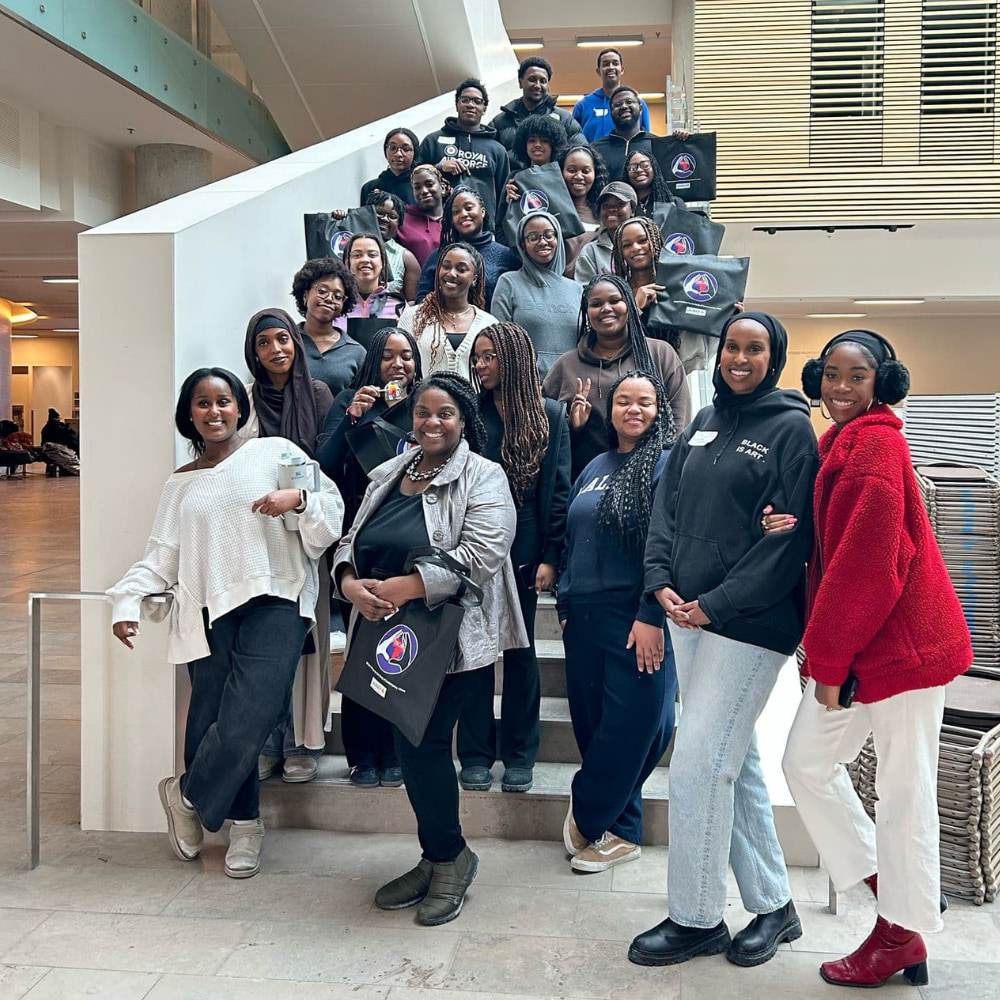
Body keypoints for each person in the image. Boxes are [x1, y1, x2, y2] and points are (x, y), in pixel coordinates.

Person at [778, 330, 971, 989]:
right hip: (872, 648)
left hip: (903, 649)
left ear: (881, 383)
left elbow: (868, 569)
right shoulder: (845, 441)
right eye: (830, 374)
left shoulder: (876, 447)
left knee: (904, 791)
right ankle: (899, 889)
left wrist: (827, 665)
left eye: (856, 377)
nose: (839, 387)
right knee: (806, 762)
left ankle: (900, 935)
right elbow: (840, 545)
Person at [628, 313, 818, 970]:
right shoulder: (704, 420)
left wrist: (717, 604)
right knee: (733, 767)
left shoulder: (791, 430)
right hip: (686, 617)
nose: (740, 357)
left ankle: (697, 917)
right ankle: (774, 905)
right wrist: (659, 583)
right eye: (733, 346)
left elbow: (786, 541)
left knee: (699, 765)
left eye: (755, 348)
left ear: (776, 356)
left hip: (749, 624)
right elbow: (667, 509)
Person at [107, 367, 344, 879]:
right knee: (212, 720)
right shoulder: (181, 484)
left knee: (250, 717)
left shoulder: (277, 453)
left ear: (241, 406)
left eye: (223, 401)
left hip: (277, 599)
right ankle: (245, 825)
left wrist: (298, 499)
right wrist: (127, 601)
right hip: (208, 609)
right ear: (188, 414)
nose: (214, 412)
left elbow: (330, 513)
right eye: (202, 403)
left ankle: (186, 795)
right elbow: (162, 556)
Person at [333, 372, 527, 926]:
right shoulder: (391, 471)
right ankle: (438, 855)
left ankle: (450, 858)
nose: (432, 422)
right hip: (390, 632)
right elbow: (352, 537)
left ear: (464, 419)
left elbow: (483, 551)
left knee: (423, 745)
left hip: (453, 637)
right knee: (410, 744)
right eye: (422, 412)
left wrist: (405, 586)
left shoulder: (484, 475)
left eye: (444, 413)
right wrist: (349, 581)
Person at [559, 371, 678, 872]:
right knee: (593, 724)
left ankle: (589, 810)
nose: (633, 409)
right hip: (582, 613)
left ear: (659, 409)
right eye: (624, 401)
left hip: (636, 614)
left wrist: (651, 612)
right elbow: (571, 537)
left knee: (643, 721)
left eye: (644, 402)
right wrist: (565, 606)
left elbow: (670, 541)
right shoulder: (595, 466)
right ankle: (621, 831)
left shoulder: (669, 463)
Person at [456, 322, 571, 793]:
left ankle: (520, 752)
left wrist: (551, 555)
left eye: (490, 357)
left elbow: (559, 490)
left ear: (515, 359)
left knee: (521, 656)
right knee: (475, 654)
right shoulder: (471, 416)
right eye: (477, 358)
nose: (481, 366)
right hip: (474, 548)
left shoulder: (550, 415)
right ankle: (477, 754)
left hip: (524, 548)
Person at [316, 326, 423, 788]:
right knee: (362, 652)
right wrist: (353, 417)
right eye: (388, 357)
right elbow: (324, 463)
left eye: (407, 357)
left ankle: (395, 749)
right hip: (360, 545)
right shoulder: (348, 401)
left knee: (401, 653)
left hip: (409, 543)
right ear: (373, 360)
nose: (398, 365)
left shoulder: (425, 406)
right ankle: (363, 752)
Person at [237, 309, 335, 784]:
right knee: (264, 645)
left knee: (305, 645)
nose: (276, 349)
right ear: (253, 353)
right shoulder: (246, 401)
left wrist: (300, 504)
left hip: (306, 531)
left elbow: (325, 468)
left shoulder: (317, 394)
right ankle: (268, 738)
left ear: (296, 342)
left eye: (283, 339)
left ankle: (301, 742)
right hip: (258, 536)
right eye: (264, 344)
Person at [542, 274, 690, 479]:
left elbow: (679, 420)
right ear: (586, 311)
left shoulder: (660, 354)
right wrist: (574, 427)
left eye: (615, 301)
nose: (606, 309)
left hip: (652, 478)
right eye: (596, 303)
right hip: (589, 483)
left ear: (629, 304)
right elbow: (547, 435)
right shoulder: (565, 366)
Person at [611, 216, 716, 374]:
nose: (635, 248)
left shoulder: (680, 284)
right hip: (629, 375)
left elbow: (704, 328)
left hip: (675, 373)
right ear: (620, 252)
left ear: (655, 241)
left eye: (642, 240)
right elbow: (610, 337)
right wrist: (635, 307)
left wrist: (726, 318)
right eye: (626, 245)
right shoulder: (616, 291)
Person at [491, 211, 580, 376]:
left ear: (558, 239)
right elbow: (500, 340)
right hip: (525, 386)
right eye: (533, 237)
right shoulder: (509, 283)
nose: (542, 242)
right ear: (523, 244)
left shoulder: (576, 289)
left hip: (569, 387)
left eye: (548, 235)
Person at [418, 79, 510, 225]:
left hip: (484, 230)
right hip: (442, 227)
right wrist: (438, 168)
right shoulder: (433, 141)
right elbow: (414, 180)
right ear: (457, 104)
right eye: (465, 100)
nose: (470, 104)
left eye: (477, 101)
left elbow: (503, 196)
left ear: (484, 108)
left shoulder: (497, 150)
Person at [399, 242, 497, 376]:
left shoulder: (489, 324)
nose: (451, 273)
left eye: (461, 269)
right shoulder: (412, 317)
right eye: (446, 267)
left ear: (474, 279)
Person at [416, 187, 519, 309]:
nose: (463, 214)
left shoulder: (506, 255)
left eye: (469, 208)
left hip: (492, 324)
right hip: (445, 324)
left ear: (483, 211)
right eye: (456, 212)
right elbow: (422, 300)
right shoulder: (438, 256)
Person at [291, 257, 367, 396]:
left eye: (338, 296)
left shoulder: (356, 353)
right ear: (305, 294)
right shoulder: (287, 341)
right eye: (322, 291)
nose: (329, 298)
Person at [489, 56, 583, 168]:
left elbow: (581, 152)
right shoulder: (501, 121)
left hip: (552, 183)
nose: (537, 85)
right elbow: (485, 151)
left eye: (543, 81)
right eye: (532, 80)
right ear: (520, 82)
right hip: (512, 183)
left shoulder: (564, 119)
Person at [573, 48, 652, 142]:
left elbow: (646, 138)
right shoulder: (583, 105)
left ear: (622, 70)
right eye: (606, 64)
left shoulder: (636, 104)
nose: (611, 67)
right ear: (598, 71)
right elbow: (573, 140)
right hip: (592, 156)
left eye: (615, 63)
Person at [558, 143, 609, 277]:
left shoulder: (603, 212)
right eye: (571, 170)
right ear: (561, 171)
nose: (579, 176)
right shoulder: (552, 208)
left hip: (595, 290)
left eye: (585, 171)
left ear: (595, 174)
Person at [336, 231, 406, 328]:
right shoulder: (336, 304)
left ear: (383, 262)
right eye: (357, 255)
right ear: (347, 263)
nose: (365, 260)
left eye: (372, 255)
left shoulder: (400, 306)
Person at [574, 182, 637, 286]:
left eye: (619, 204)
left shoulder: (644, 245)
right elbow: (585, 292)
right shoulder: (590, 252)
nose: (611, 209)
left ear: (632, 210)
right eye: (606, 205)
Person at [591, 86, 658, 182]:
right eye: (617, 104)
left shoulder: (657, 144)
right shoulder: (595, 149)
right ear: (611, 113)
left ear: (640, 108)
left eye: (629, 102)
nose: (624, 106)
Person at [366, 190, 421, 301]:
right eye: (380, 212)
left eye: (392, 216)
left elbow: (412, 302)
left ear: (399, 225)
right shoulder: (350, 246)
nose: (385, 219)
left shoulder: (407, 258)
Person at [396, 164, 449, 268]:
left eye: (429, 184)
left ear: (442, 187)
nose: (424, 191)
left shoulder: (454, 220)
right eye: (417, 187)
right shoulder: (402, 219)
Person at [621, 149, 685, 226]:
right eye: (632, 167)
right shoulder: (623, 206)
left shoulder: (674, 203)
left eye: (645, 165)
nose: (639, 170)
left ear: (654, 168)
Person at [360, 127, 419, 207]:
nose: (398, 154)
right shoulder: (370, 188)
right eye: (392, 148)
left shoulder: (421, 187)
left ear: (414, 152)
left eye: (406, 149)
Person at [40, 408, 79, 477]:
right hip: (56, 448)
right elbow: (67, 435)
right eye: (58, 418)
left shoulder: (48, 427)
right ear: (55, 419)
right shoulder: (54, 428)